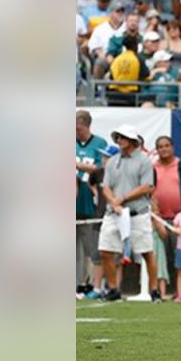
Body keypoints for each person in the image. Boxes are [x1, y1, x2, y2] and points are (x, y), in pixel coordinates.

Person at [98, 125, 159, 301]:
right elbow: (106, 187)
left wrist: (122, 198)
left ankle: (154, 290)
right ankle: (113, 288)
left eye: (123, 137)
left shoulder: (144, 161)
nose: (119, 140)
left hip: (137, 212)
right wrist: (114, 202)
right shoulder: (112, 161)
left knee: (146, 252)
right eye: (117, 137)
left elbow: (147, 186)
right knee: (105, 251)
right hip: (114, 213)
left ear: (132, 141)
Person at [76, 111, 109, 297]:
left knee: (91, 247)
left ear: (85, 125)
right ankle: (75, 284)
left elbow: (99, 168)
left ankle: (91, 284)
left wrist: (77, 166)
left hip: (89, 200)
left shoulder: (99, 144)